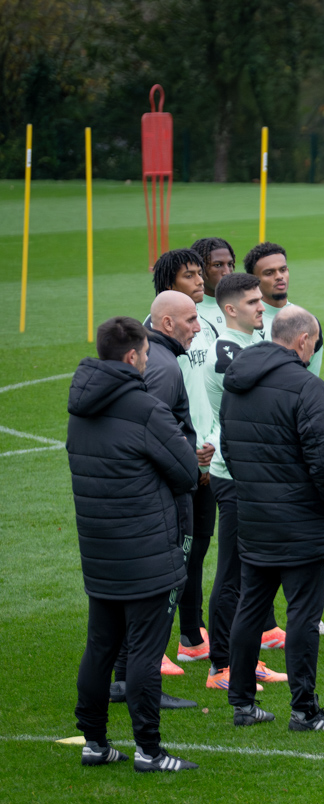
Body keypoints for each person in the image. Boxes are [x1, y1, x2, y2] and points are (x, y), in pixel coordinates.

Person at [68, 316, 200, 771]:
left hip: (99, 550)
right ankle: (149, 750)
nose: (148, 360)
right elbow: (186, 473)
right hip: (147, 554)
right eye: (145, 353)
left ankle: (94, 742)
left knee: (100, 647)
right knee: (144, 651)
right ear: (131, 356)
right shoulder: (145, 409)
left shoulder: (80, 408)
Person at [221, 308, 324, 731]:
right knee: (303, 616)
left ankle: (242, 703)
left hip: (253, 516)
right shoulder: (306, 385)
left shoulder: (237, 380)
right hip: (301, 521)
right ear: (303, 340)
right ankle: (304, 710)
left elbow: (228, 446)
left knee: (250, 608)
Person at [200, 272, 286, 691]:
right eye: (252, 302)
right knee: (233, 570)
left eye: (260, 300)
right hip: (233, 474)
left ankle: (245, 661)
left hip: (251, 472)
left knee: (253, 572)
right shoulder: (226, 350)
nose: (261, 307)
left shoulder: (251, 343)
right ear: (230, 309)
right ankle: (220, 666)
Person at [147, 253, 218, 666]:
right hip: (177, 461)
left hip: (205, 454)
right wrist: (185, 454)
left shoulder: (202, 326)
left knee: (196, 549)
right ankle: (150, 648)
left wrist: (209, 446)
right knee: (171, 554)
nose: (200, 280)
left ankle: (191, 635)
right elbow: (154, 417)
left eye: (199, 273)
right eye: (189, 275)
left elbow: (209, 392)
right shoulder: (154, 339)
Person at [139, 292, 206, 696]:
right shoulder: (164, 368)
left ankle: (131, 674)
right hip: (164, 497)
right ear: (167, 323)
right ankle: (145, 674)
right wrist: (187, 463)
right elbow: (151, 436)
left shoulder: (158, 358)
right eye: (191, 320)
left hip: (152, 496)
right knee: (166, 580)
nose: (198, 327)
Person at [246, 242, 324, 377]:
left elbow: (311, 378)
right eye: (269, 273)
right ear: (253, 279)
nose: (279, 276)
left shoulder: (309, 322)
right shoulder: (243, 322)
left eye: (283, 270)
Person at [190, 237, 236, 335]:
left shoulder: (242, 304)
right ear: (200, 267)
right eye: (217, 265)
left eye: (230, 264)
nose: (227, 272)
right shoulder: (188, 309)